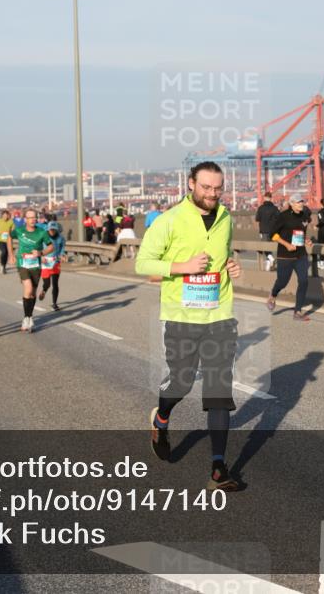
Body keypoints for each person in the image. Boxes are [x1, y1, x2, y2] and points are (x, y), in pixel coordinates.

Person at [135, 161, 242, 491]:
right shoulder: (170, 220)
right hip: (181, 316)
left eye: (218, 188)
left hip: (219, 314)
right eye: (206, 187)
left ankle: (218, 469)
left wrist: (231, 264)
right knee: (180, 383)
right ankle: (161, 418)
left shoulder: (226, 218)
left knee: (219, 391)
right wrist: (183, 266)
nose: (212, 194)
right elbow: (143, 263)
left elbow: (223, 253)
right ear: (192, 184)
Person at [266, 193, 313, 321]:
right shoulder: (283, 216)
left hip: (300, 255)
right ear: (291, 204)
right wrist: (286, 244)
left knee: (304, 281)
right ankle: (273, 294)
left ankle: (297, 311)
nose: (301, 204)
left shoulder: (305, 216)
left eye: (302, 201)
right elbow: (272, 234)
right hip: (285, 255)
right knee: (282, 282)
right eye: (298, 202)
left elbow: (301, 232)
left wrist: (306, 240)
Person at [11, 209, 54, 333]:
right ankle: (26, 318)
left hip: (36, 265)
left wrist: (41, 252)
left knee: (33, 293)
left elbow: (51, 246)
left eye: (35, 217)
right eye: (30, 218)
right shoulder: (19, 230)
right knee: (28, 288)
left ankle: (30, 317)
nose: (33, 220)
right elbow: (9, 237)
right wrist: (11, 254)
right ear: (26, 219)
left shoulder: (42, 232)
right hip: (22, 263)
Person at [39, 221, 66, 311]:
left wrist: (62, 255)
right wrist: (41, 256)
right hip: (45, 261)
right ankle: (43, 291)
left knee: (55, 283)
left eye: (54, 230)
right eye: (51, 230)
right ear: (48, 229)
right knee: (47, 283)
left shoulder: (61, 238)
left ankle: (55, 304)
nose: (52, 231)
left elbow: (62, 247)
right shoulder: (43, 236)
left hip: (56, 261)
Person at [254, 192, 279, 271]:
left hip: (263, 231)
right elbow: (279, 218)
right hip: (273, 231)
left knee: (265, 248)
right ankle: (268, 266)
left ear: (264, 198)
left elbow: (257, 219)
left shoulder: (261, 208)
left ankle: (271, 259)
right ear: (271, 198)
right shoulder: (275, 208)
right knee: (269, 248)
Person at [0, 210, 15, 274]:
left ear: (8, 215)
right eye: (4, 215)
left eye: (6, 215)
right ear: (2, 215)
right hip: (1, 240)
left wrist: (11, 233)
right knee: (4, 251)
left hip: (8, 240)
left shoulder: (11, 222)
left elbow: (13, 229)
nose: (5, 216)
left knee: (6, 253)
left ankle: (4, 266)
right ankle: (2, 265)